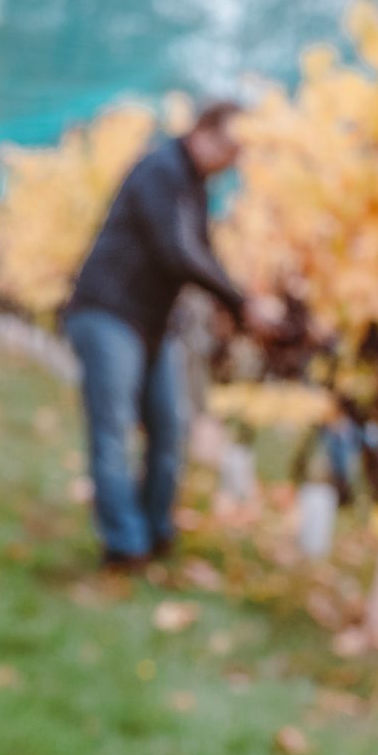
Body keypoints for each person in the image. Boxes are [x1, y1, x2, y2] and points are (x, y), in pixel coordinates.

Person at [62, 102, 276, 569]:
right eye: (230, 148)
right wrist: (240, 303)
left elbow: (202, 252)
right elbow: (177, 252)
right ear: (204, 132)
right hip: (108, 313)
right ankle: (126, 544)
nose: (234, 160)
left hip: (151, 323)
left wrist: (234, 303)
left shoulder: (194, 186)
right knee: (114, 430)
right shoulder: (161, 170)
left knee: (169, 428)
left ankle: (156, 531)